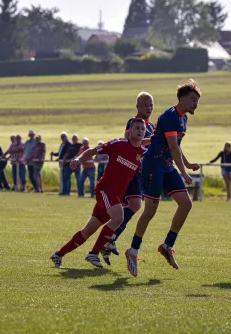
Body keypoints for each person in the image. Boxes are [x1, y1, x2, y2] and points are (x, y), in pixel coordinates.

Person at [125, 79, 201, 277]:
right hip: (153, 166)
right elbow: (173, 147)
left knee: (186, 204)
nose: (196, 104)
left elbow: (177, 146)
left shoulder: (183, 117)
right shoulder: (170, 116)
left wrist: (188, 163)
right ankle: (132, 251)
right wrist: (184, 172)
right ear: (182, 100)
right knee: (150, 211)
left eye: (197, 101)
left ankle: (167, 245)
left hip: (166, 166)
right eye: (193, 100)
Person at [50, 119, 147, 269]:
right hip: (105, 189)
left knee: (89, 229)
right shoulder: (118, 144)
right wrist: (78, 158)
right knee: (119, 217)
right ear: (130, 131)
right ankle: (93, 253)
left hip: (116, 196)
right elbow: (94, 150)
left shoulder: (142, 154)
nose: (140, 131)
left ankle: (58, 254)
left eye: (143, 128)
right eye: (137, 128)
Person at [102, 91, 154, 265]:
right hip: (130, 170)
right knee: (134, 205)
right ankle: (109, 238)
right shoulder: (133, 123)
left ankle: (108, 240)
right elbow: (128, 142)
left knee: (130, 207)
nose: (149, 108)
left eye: (151, 105)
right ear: (138, 106)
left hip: (140, 172)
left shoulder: (151, 126)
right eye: (146, 105)